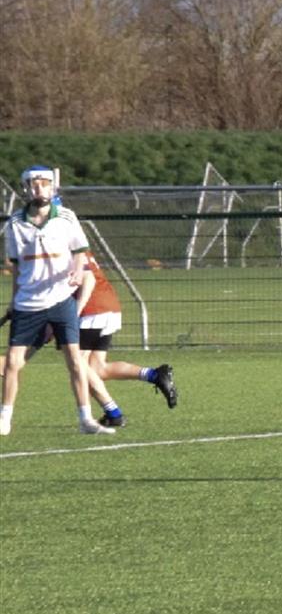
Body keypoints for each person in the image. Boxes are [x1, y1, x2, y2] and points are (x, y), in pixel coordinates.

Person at [1, 165, 112, 436]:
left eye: (45, 183)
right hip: (28, 303)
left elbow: (80, 250)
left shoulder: (66, 217)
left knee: (75, 360)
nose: (40, 188)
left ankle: (86, 419)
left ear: (53, 187)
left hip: (61, 300)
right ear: (26, 188)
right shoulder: (15, 223)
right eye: (34, 184)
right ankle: (4, 418)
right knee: (13, 361)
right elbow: (17, 267)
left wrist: (77, 270)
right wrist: (14, 300)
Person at [74, 249, 177, 427]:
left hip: (91, 310)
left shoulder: (62, 245)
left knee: (78, 365)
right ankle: (154, 375)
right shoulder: (77, 245)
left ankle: (114, 414)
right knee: (97, 369)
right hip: (109, 306)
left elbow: (85, 280)